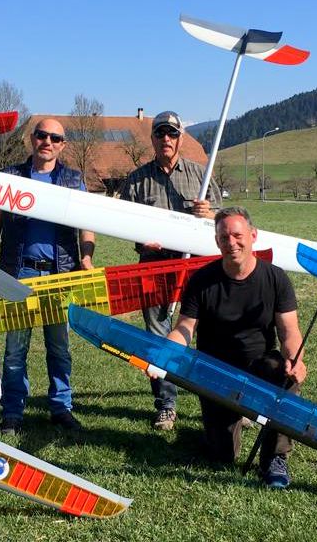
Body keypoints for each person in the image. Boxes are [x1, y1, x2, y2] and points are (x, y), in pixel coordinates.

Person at [165, 206, 305, 488]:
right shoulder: (202, 280)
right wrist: (166, 351)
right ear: (217, 242)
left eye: (238, 235)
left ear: (253, 236)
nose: (231, 243)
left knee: (284, 375)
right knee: (223, 455)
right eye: (224, 237)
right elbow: (185, 328)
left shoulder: (275, 278)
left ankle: (274, 458)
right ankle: (221, 427)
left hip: (260, 364)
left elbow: (289, 330)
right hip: (215, 369)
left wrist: (295, 358)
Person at [0, 118, 95, 435]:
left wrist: (86, 257)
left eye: (55, 138)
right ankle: (12, 412)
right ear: (32, 139)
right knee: (16, 348)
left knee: (59, 347)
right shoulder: (11, 177)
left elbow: (87, 225)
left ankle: (61, 408)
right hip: (18, 272)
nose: (48, 142)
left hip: (60, 274)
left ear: (62, 145)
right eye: (42, 135)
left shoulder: (73, 180)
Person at [118, 110, 219, 431]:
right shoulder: (137, 180)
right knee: (158, 336)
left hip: (196, 268)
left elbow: (226, 219)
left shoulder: (200, 175)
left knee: (209, 335)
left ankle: (220, 405)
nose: (166, 138)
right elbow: (124, 222)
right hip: (155, 267)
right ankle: (166, 405)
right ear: (152, 138)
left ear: (180, 138)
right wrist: (142, 240)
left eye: (172, 133)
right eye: (160, 133)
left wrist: (210, 214)